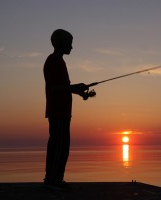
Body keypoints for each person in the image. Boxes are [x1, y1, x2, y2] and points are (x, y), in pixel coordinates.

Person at [43, 29, 91, 189]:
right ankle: (52, 179)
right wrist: (74, 87)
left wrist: (79, 91)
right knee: (59, 146)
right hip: (58, 111)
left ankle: (56, 178)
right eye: (69, 43)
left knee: (62, 146)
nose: (72, 47)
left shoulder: (59, 61)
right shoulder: (53, 61)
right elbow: (54, 88)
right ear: (61, 43)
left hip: (63, 111)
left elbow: (62, 87)